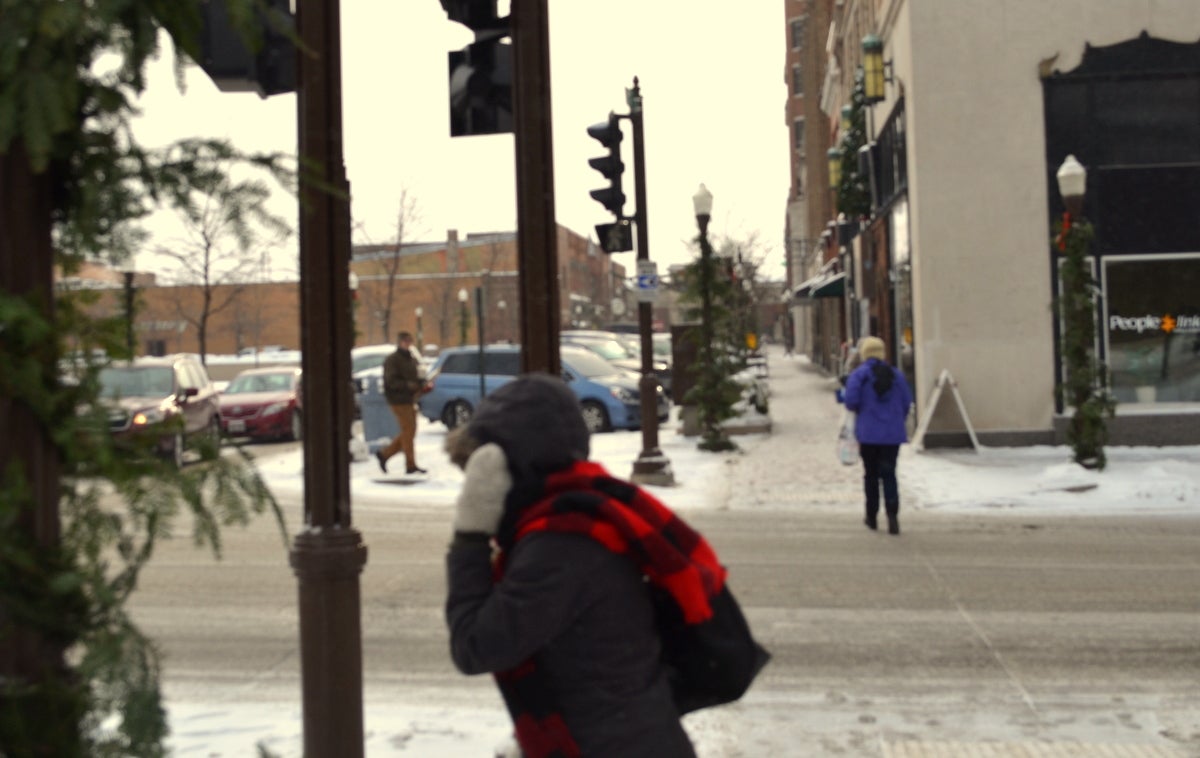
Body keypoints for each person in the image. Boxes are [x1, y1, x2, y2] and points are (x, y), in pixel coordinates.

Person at [443, 374, 711, 758]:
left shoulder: (560, 545)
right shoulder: (579, 514)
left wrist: (469, 537)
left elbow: (474, 646)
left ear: (505, 465)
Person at [843, 336, 913, 535]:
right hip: (892, 435)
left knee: (871, 475)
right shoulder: (896, 375)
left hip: (868, 434)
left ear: (864, 354)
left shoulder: (859, 375)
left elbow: (851, 402)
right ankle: (892, 515)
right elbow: (907, 402)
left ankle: (871, 516)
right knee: (889, 473)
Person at [376, 331, 426, 475]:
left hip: (409, 399)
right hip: (397, 400)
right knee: (408, 431)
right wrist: (408, 385)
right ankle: (410, 465)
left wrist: (419, 383)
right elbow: (390, 381)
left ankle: (385, 454)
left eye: (410, 340)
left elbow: (414, 376)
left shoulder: (410, 358)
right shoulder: (393, 360)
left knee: (409, 432)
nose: (408, 343)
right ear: (399, 342)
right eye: (405, 341)